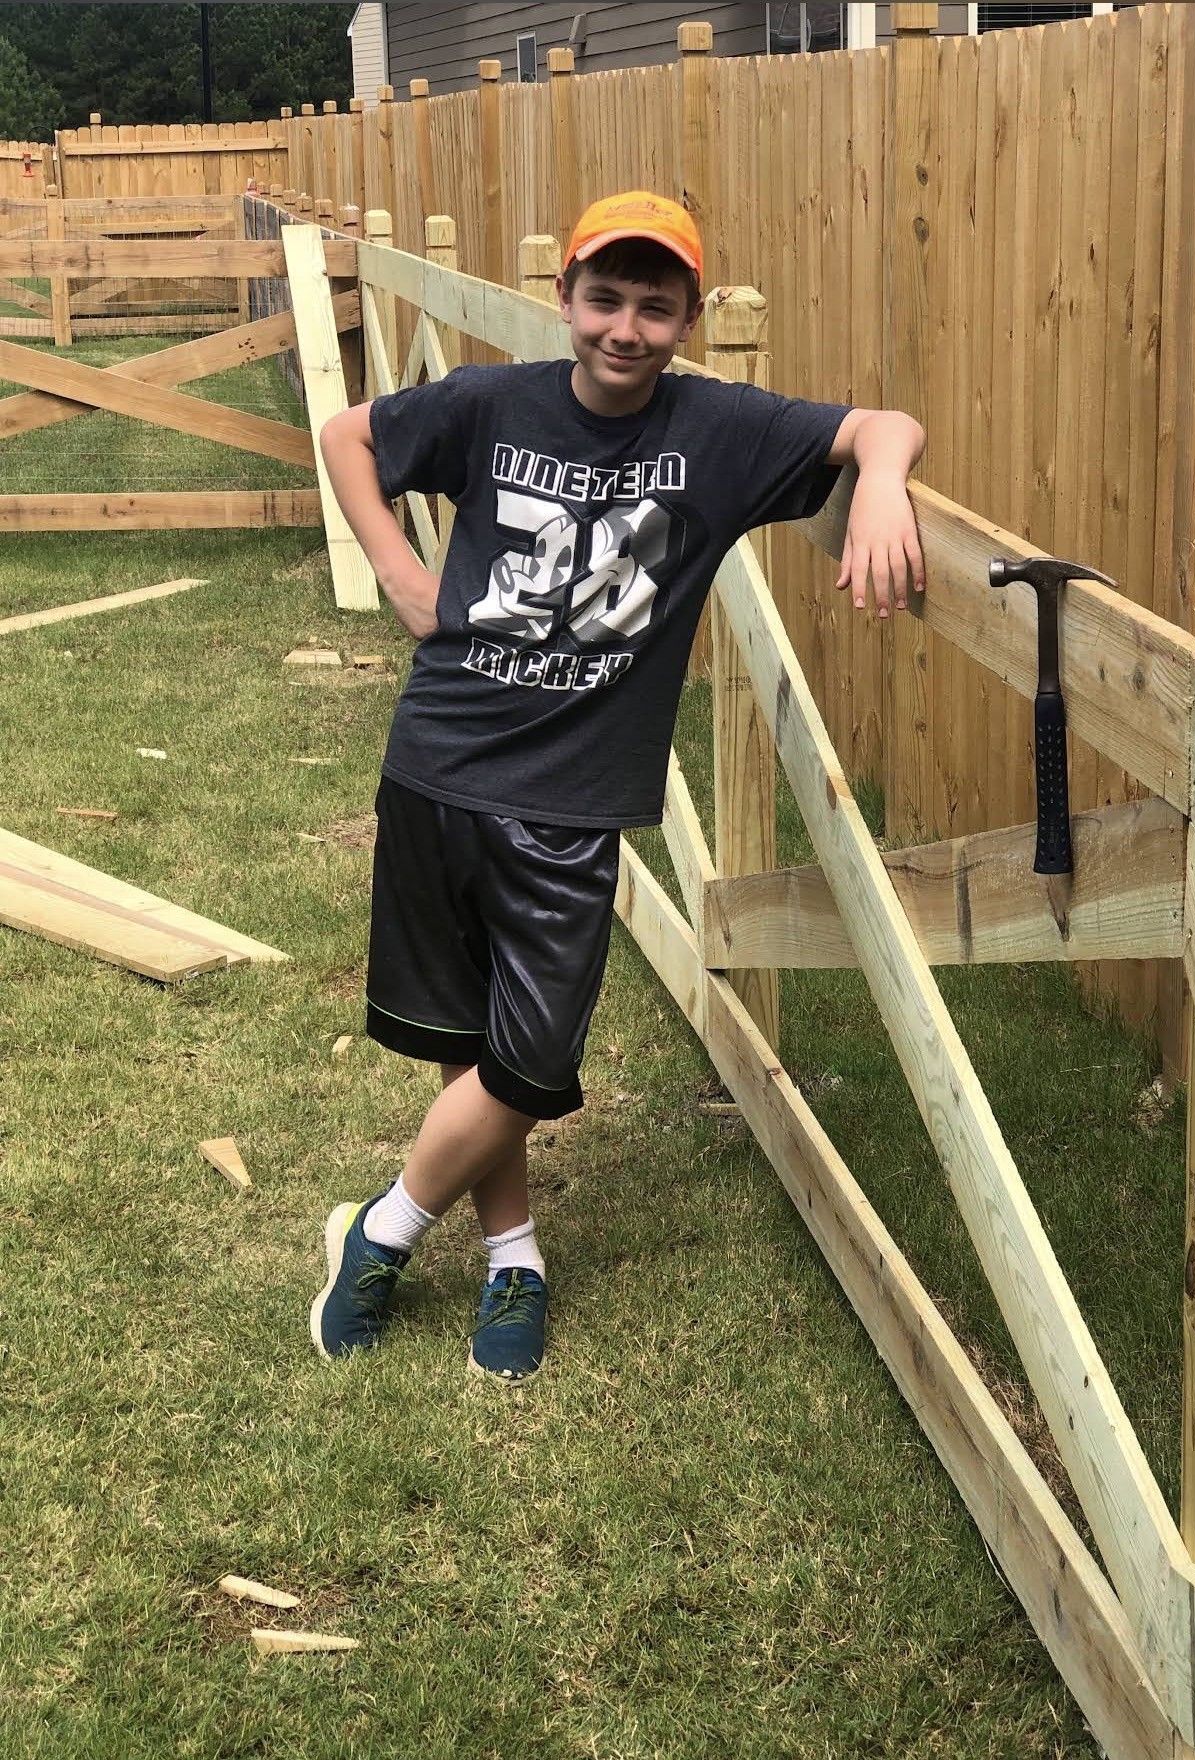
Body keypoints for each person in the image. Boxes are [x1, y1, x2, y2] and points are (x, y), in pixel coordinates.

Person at [311, 190, 925, 1379]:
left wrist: (887, 485)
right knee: (468, 1039)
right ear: (566, 301)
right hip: (437, 761)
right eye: (605, 299)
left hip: (573, 801)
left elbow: (880, 425)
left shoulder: (723, 433)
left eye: (655, 306)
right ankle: (515, 1259)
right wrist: (396, 569)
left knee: (530, 1058)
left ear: (690, 316)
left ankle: (380, 1231)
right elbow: (350, 437)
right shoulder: (493, 404)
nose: (625, 329)